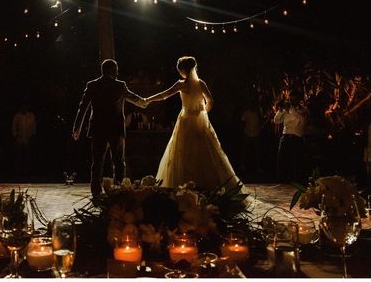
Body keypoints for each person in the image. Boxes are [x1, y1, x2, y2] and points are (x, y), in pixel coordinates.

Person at [144, 56, 243, 190]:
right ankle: (209, 187)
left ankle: (184, 187)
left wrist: (148, 99)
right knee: (206, 152)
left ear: (183, 69)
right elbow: (210, 100)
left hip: (185, 121)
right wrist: (203, 113)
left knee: (183, 152)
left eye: (180, 69)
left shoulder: (181, 84)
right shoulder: (201, 83)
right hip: (200, 121)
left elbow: (164, 95)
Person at [72, 59, 147, 197]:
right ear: (112, 70)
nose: (118, 71)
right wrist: (145, 102)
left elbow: (82, 108)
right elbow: (133, 97)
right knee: (118, 161)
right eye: (116, 68)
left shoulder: (92, 85)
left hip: (98, 129)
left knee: (97, 161)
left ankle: (95, 191)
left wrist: (77, 128)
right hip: (115, 129)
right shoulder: (120, 85)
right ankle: (118, 190)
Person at [272, 92, 308, 183]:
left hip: (296, 137)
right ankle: (281, 181)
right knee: (281, 160)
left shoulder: (303, 109)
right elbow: (276, 121)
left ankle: (297, 182)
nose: (292, 101)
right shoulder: (286, 109)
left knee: (296, 161)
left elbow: (302, 120)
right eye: (291, 99)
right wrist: (281, 110)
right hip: (285, 136)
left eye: (294, 99)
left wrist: (291, 110)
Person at [240, 100, 263, 180]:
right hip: (247, 133)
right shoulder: (247, 113)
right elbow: (243, 122)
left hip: (256, 134)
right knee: (245, 150)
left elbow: (260, 122)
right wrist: (243, 132)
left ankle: (258, 166)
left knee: (257, 150)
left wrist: (259, 130)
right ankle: (243, 165)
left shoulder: (258, 113)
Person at [12, 104, 36, 176]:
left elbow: (34, 127)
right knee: (19, 155)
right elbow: (14, 127)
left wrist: (32, 137)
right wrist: (15, 137)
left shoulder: (31, 116)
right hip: (19, 139)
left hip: (28, 138)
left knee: (28, 156)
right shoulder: (17, 116)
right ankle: (18, 172)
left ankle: (27, 172)